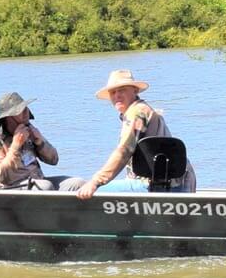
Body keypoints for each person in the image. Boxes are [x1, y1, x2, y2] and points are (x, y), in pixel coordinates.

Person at [74, 68, 197, 198]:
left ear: (135, 90)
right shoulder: (141, 108)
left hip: (160, 186)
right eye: (113, 92)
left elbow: (123, 152)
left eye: (122, 90)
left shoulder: (136, 112)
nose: (117, 95)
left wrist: (95, 182)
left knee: (86, 191)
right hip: (178, 183)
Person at [0, 90, 67, 189]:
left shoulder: (28, 128)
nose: (26, 113)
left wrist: (40, 143)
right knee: (45, 186)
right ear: (8, 117)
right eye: (20, 111)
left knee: (77, 184)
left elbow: (54, 160)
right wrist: (15, 146)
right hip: (9, 188)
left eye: (25, 108)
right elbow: (1, 176)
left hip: (37, 180)